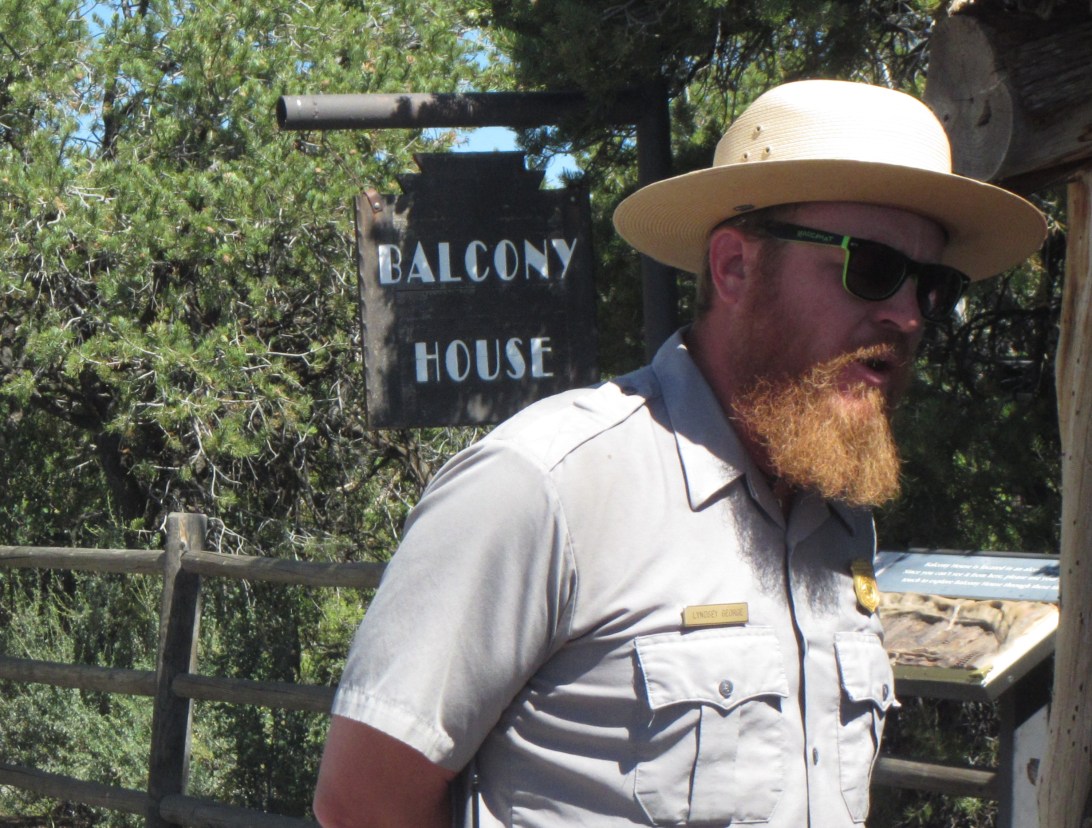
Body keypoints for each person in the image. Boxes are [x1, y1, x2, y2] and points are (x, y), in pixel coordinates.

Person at [312, 80, 1046, 827]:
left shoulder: (837, 517)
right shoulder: (549, 485)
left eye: (933, 286)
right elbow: (363, 801)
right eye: (874, 269)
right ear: (733, 268)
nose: (907, 314)